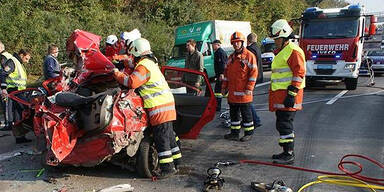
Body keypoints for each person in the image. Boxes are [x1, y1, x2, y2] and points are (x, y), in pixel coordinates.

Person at [112, 38, 181, 179]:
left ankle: (168, 169)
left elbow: (131, 82)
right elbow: (133, 66)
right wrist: (124, 62)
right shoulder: (150, 63)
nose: (131, 57)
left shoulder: (143, 66)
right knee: (169, 136)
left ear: (136, 52)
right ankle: (177, 162)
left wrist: (117, 74)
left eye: (132, 54)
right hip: (166, 104)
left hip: (158, 107)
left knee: (161, 138)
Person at [269, 19, 306, 164]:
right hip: (281, 96)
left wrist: (292, 93)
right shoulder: (284, 51)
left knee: (285, 124)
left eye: (276, 39)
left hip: (288, 96)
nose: (275, 41)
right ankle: (285, 151)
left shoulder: (293, 51)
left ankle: (289, 154)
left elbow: (299, 73)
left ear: (284, 37)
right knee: (281, 123)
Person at [221, 32, 258, 142]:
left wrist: (249, 88)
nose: (236, 44)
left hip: (244, 94)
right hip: (232, 94)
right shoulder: (231, 58)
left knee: (247, 115)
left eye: (238, 42)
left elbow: (253, 73)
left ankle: (249, 133)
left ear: (242, 43)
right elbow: (226, 74)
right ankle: (234, 133)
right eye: (234, 43)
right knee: (234, 115)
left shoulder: (249, 56)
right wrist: (224, 87)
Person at [0, 49, 32, 143]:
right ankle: (19, 136)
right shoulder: (13, 61)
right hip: (14, 92)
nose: (27, 61)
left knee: (19, 114)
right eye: (26, 58)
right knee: (19, 114)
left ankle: (20, 136)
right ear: (21, 55)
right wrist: (4, 88)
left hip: (19, 92)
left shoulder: (18, 63)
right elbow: (2, 74)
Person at [246, 33, 263, 127]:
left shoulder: (250, 50)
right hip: (258, 76)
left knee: (247, 101)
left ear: (248, 40)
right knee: (248, 100)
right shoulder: (257, 48)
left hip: (252, 77)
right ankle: (253, 119)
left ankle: (255, 120)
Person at [212, 40, 227, 112]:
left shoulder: (220, 53)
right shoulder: (217, 52)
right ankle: (217, 106)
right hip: (218, 75)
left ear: (218, 45)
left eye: (213, 44)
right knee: (218, 91)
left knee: (218, 91)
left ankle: (218, 106)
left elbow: (222, 64)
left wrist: (222, 74)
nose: (212, 46)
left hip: (221, 75)